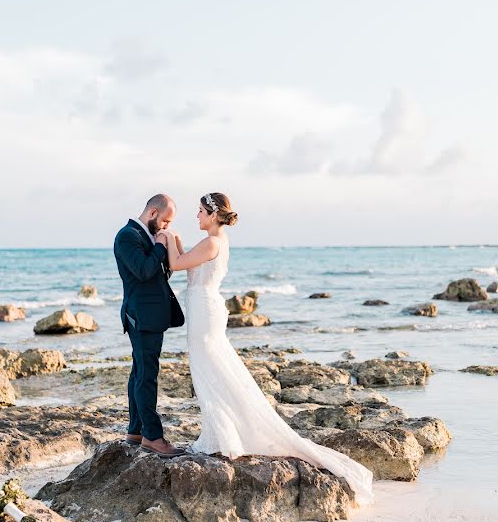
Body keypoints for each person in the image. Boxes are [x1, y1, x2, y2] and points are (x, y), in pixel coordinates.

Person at [157, 192, 374, 505]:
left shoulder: (212, 243)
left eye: (201, 212)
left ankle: (224, 435)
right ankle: (220, 432)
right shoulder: (216, 241)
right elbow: (186, 262)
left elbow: (176, 265)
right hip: (204, 306)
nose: (197, 216)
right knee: (212, 369)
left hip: (204, 309)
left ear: (213, 215)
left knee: (210, 370)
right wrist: (174, 238)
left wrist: (167, 238)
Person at [113, 194, 186, 457]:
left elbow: (160, 274)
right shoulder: (127, 236)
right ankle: (153, 437)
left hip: (150, 314)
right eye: (165, 221)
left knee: (139, 372)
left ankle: (135, 430)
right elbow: (143, 271)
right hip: (140, 316)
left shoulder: (146, 235)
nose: (166, 227)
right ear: (153, 213)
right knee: (147, 375)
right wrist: (159, 246)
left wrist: (167, 247)